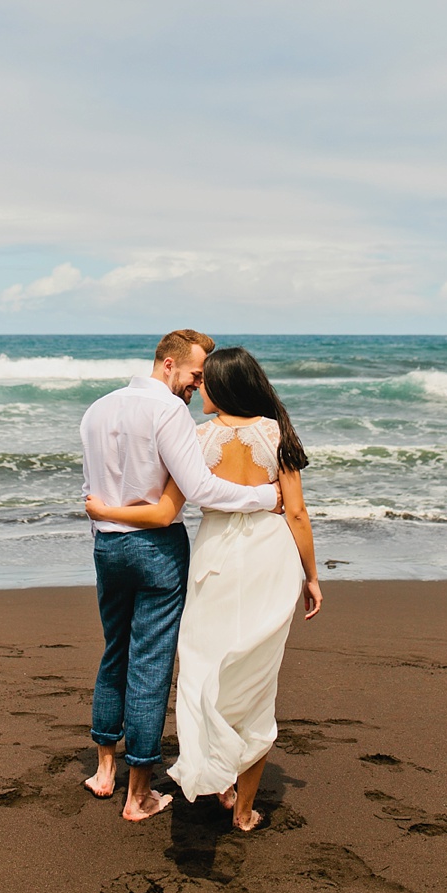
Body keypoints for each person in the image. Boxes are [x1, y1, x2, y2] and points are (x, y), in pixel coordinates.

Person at [85, 346, 322, 832]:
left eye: (206, 382)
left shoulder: (194, 435)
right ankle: (238, 800)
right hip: (266, 557)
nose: (198, 390)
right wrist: (312, 576)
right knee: (255, 670)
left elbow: (175, 501)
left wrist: (105, 512)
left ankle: (203, 773)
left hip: (208, 558)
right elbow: (295, 512)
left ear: (225, 386)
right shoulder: (277, 433)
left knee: (202, 664)